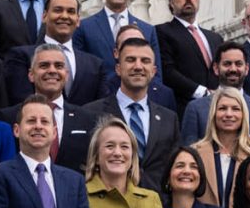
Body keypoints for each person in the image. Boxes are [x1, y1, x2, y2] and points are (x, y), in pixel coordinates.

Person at [70, 34, 182, 193]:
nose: (138, 66)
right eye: (130, 60)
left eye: (145, 61)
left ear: (154, 70)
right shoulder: (90, 113)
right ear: (118, 69)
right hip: (107, 206)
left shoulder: (169, 119)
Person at [73, 0, 162, 87]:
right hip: (98, 99)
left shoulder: (147, 30)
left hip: (137, 96)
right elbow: (80, 70)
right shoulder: (84, 27)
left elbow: (155, 73)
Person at [17, 0, 105, 110]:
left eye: (71, 11)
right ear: (44, 16)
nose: (64, 16)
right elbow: (19, 103)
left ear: (78, 20)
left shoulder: (95, 65)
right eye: (58, 10)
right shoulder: (22, 56)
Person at [156, 0, 224, 111]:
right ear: (171, 2)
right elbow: (167, 71)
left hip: (218, 108)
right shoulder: (162, 31)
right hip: (184, 107)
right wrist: (202, 92)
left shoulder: (215, 38)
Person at [190, 87, 250, 208]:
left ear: (244, 114)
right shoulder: (195, 153)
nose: (229, 114)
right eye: (222, 108)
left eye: (235, 109)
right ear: (213, 113)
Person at [15, 44, 84, 156]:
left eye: (59, 66)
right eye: (44, 66)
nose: (52, 70)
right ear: (31, 75)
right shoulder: (9, 116)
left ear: (66, 75)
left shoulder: (86, 118)